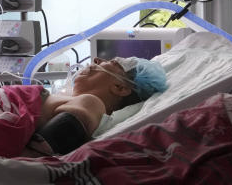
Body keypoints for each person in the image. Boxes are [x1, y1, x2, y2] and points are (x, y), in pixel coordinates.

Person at [29, 56, 168, 155]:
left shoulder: (91, 103)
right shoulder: (69, 99)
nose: (96, 60)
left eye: (111, 62)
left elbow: (33, 155)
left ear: (120, 88)